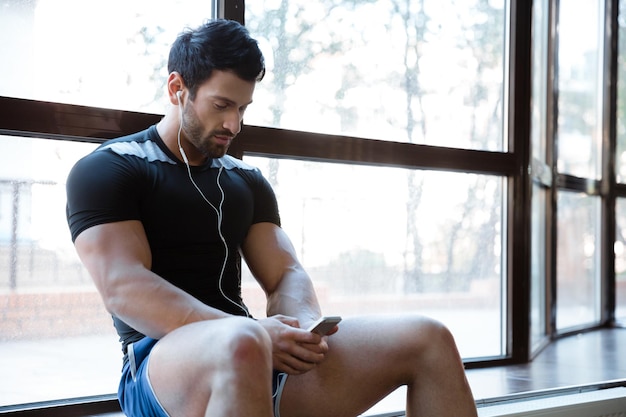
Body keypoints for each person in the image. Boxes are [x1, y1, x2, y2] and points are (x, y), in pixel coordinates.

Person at [66, 19, 478, 417]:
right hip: (159, 367)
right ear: (178, 89)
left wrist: (298, 329)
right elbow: (124, 288)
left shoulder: (245, 179)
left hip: (252, 351)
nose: (234, 124)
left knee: (429, 338)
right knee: (242, 339)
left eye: (243, 107)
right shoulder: (111, 168)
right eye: (221, 105)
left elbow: (286, 274)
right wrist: (257, 334)